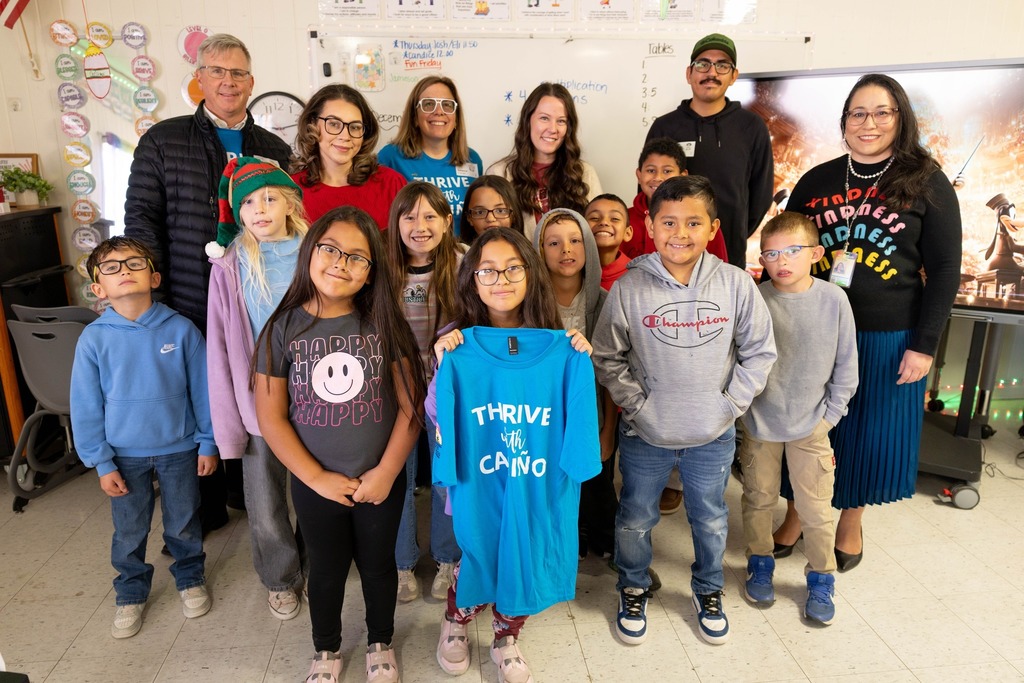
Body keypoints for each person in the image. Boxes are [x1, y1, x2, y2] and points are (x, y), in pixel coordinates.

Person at [771, 74, 962, 571]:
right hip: (813, 330)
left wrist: (924, 345)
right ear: (844, 121)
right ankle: (797, 514)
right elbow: (787, 247)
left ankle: (849, 521)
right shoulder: (818, 180)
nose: (869, 122)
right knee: (809, 429)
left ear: (900, 118)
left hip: (887, 335)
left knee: (869, 432)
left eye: (882, 112)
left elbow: (944, 269)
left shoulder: (926, 181)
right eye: (858, 113)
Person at [592, 175, 776, 646]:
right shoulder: (629, 289)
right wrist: (637, 405)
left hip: (712, 435)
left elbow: (760, 352)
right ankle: (632, 585)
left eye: (693, 222)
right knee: (635, 517)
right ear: (650, 227)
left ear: (712, 228)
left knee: (711, 517)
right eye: (669, 222)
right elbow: (607, 356)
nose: (680, 232)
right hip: (645, 435)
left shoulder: (735, 284)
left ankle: (708, 589)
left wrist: (729, 405)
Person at [254, 206, 424, 683]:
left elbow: (411, 408)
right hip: (315, 484)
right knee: (326, 572)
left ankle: (380, 641)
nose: (340, 263)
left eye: (357, 257)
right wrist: (315, 478)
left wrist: (387, 473)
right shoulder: (281, 329)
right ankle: (326, 650)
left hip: (379, 481)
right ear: (310, 252)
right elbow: (271, 417)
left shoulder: (386, 326)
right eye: (330, 250)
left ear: (371, 272)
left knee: (378, 566)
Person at [125, 32, 287, 532]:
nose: (228, 81)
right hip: (189, 301)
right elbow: (141, 221)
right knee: (200, 406)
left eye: (237, 72)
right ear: (199, 79)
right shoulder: (163, 140)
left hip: (258, 304)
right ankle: (203, 514)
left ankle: (251, 498)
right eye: (216, 71)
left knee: (251, 397)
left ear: (252, 81)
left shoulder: (274, 147)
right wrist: (155, 302)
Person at [427, 227, 597, 682]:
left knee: (523, 557)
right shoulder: (456, 344)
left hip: (535, 483)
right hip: (479, 479)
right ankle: (456, 621)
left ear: (530, 274)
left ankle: (506, 636)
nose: (500, 278)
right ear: (472, 280)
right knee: (477, 552)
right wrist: (443, 365)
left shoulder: (560, 345)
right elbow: (438, 418)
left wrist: (579, 358)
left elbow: (580, 435)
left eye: (512, 268)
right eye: (487, 270)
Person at [70, 236, 218, 640]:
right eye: (112, 267)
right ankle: (131, 592)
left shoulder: (182, 329)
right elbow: (85, 405)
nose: (124, 271)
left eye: (133, 264)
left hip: (180, 448)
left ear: (153, 276)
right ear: (98, 289)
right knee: (130, 530)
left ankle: (189, 579)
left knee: (184, 523)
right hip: (122, 457)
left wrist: (208, 441)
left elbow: (204, 390)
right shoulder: (94, 339)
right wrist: (101, 462)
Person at [738, 211, 858, 626]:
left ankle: (821, 576)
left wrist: (828, 418)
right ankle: (760, 561)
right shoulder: (754, 297)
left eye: (791, 251)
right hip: (759, 423)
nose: (780, 261)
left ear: (816, 253)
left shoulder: (834, 300)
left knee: (816, 506)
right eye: (770, 253)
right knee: (758, 498)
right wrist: (744, 414)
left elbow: (846, 367)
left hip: (812, 425)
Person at [205, 158, 309, 621]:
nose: (260, 209)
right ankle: (280, 578)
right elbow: (221, 349)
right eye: (247, 202)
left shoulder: (315, 251)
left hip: (317, 393)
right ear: (237, 213)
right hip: (258, 399)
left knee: (314, 490)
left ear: (290, 203)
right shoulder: (229, 265)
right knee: (265, 499)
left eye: (269, 197)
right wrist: (228, 426)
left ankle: (317, 560)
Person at [383, 182, 463, 604]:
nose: (419, 226)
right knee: (399, 476)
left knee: (447, 477)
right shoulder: (382, 268)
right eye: (409, 216)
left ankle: (449, 559)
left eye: (430, 216)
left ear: (448, 222)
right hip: (394, 384)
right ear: (395, 223)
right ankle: (401, 564)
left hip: (447, 388)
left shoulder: (465, 262)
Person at [646, 33, 774, 269]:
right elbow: (649, 189)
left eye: (722, 65)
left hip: (728, 256)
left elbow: (761, 195)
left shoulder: (751, 127)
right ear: (689, 73)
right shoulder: (664, 127)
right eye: (703, 64)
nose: (712, 73)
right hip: (670, 257)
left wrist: (730, 235)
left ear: (734, 76)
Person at [533, 208, 618, 559]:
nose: (565, 250)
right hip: (545, 420)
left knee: (598, 485)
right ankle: (569, 543)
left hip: (595, 417)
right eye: (553, 243)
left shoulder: (605, 301)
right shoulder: (529, 305)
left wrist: (608, 431)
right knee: (556, 487)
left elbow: (613, 375)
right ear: (539, 251)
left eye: (574, 240)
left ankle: (605, 544)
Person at [487, 82, 603, 241]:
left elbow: (595, 235)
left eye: (561, 121)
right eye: (544, 118)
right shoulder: (500, 173)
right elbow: (493, 236)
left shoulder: (585, 173)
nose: (553, 129)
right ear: (528, 121)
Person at [291, 84, 407, 230]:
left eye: (355, 127)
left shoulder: (391, 184)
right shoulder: (291, 191)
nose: (345, 136)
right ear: (312, 124)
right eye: (334, 124)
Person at [378, 76, 483, 236]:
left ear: (456, 118)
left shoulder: (472, 159)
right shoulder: (391, 157)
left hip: (463, 256)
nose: (439, 111)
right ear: (414, 117)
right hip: (413, 256)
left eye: (447, 105)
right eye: (428, 104)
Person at [624, 137, 730, 264]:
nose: (658, 177)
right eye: (651, 170)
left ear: (683, 175)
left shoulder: (703, 221)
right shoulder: (624, 219)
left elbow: (719, 269)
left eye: (667, 171)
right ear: (639, 175)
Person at [585, 194, 633, 291]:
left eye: (615, 218)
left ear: (627, 233)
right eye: (594, 218)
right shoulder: (571, 270)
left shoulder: (636, 275)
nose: (604, 222)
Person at [458, 174, 525, 243]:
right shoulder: (461, 253)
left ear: (514, 215)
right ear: (469, 218)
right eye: (480, 212)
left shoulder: (527, 252)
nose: (490, 219)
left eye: (500, 211)